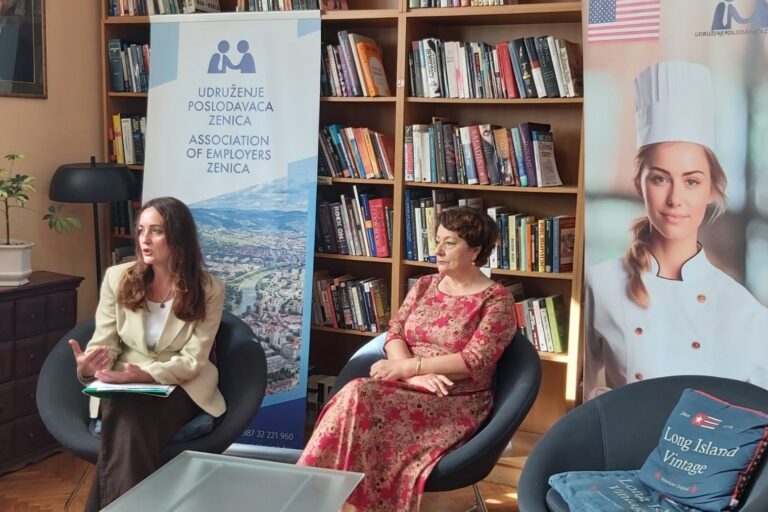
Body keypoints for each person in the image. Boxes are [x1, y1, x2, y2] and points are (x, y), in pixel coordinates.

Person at [298, 206, 516, 512]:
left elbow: (475, 360)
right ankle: (319, 497)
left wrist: (407, 367)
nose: (438, 251)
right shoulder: (425, 285)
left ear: (475, 251)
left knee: (359, 393)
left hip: (453, 398)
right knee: (357, 396)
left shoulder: (496, 300)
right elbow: (396, 331)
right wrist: (412, 376)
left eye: (449, 243)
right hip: (408, 384)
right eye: (437, 241)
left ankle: (314, 497)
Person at [584, 60, 768, 400]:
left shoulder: (745, 310)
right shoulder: (600, 284)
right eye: (660, 178)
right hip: (624, 435)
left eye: (692, 181)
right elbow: (581, 401)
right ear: (639, 185)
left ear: (713, 189)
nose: (674, 198)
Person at [69, 197, 226, 511]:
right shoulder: (118, 277)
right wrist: (89, 366)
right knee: (128, 414)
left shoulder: (209, 289)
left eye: (156, 231)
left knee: (126, 422)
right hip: (124, 385)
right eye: (141, 230)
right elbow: (106, 344)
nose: (144, 239)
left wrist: (147, 374)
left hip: (180, 385)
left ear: (178, 237)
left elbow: (193, 360)